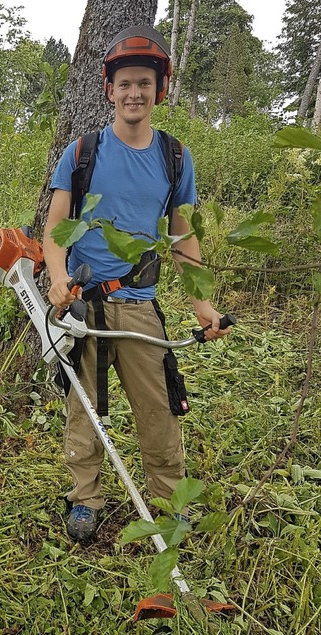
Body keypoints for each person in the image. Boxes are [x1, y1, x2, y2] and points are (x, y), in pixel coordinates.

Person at [42, 25, 230, 545]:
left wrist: (202, 305)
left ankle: (169, 504)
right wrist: (58, 278)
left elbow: (183, 236)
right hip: (83, 308)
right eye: (125, 83)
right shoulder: (82, 153)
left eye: (144, 83)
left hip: (141, 306)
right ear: (109, 89)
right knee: (85, 410)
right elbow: (55, 231)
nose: (134, 93)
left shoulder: (175, 157)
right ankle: (85, 499)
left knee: (160, 413)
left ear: (159, 90)